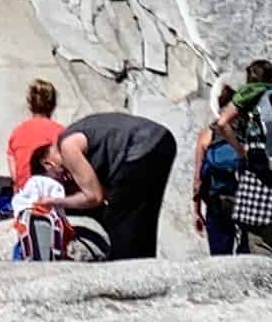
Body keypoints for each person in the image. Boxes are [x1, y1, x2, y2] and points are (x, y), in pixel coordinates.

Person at [39, 111, 176, 260]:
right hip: (161, 140)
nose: (65, 178)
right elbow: (105, 193)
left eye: (58, 178)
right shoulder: (76, 140)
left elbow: (94, 197)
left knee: (118, 217)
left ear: (48, 164)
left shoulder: (67, 146)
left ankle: (125, 272)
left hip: (142, 147)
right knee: (141, 220)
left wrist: (55, 202)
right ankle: (144, 268)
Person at [216, 60, 272, 266]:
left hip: (258, 179)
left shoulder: (251, 94)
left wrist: (240, 150)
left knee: (261, 241)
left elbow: (222, 122)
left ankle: (270, 291)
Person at [192, 84, 240, 256]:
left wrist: (196, 211)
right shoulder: (245, 132)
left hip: (217, 202)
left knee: (220, 257)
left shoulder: (207, 134)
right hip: (244, 199)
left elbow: (198, 180)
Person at [7, 78, 64, 192]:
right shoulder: (62, 133)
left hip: (25, 198)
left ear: (29, 104)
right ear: (53, 104)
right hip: (53, 196)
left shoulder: (17, 133)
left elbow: (15, 176)